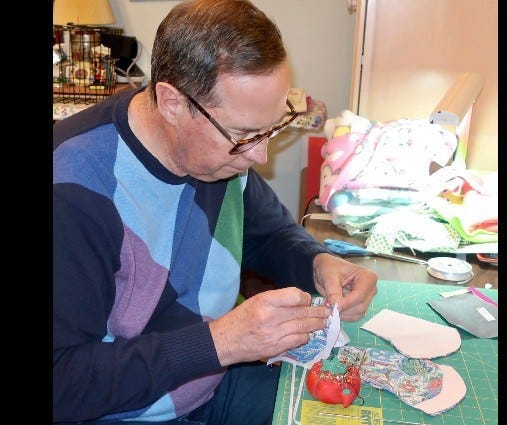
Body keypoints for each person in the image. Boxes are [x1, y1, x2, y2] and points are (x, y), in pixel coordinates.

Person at [53, 0, 378, 423]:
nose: (259, 155)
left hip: (210, 381)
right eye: (244, 134)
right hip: (123, 412)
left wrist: (316, 262)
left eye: (271, 126)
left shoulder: (219, 157)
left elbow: (268, 235)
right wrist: (222, 342)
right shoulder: (74, 189)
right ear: (172, 103)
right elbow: (62, 383)